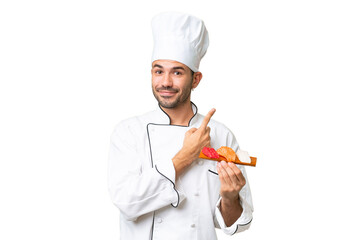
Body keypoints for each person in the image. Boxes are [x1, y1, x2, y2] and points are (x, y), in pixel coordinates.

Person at [108, 12, 253, 240]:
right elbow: (127, 202)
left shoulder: (221, 135)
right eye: (159, 71)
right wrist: (185, 156)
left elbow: (234, 223)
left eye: (177, 72)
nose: (165, 82)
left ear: (195, 80)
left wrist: (229, 197)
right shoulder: (129, 133)